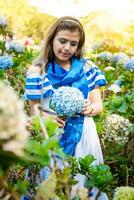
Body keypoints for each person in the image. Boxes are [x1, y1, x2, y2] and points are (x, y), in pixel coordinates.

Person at [25, 16, 107, 199]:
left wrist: (91, 109)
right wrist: (46, 118)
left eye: (73, 43)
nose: (67, 48)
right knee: (50, 185)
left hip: (83, 135)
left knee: (80, 184)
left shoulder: (87, 68)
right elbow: (34, 110)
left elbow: (98, 104)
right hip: (53, 134)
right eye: (62, 41)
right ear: (52, 39)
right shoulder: (38, 70)